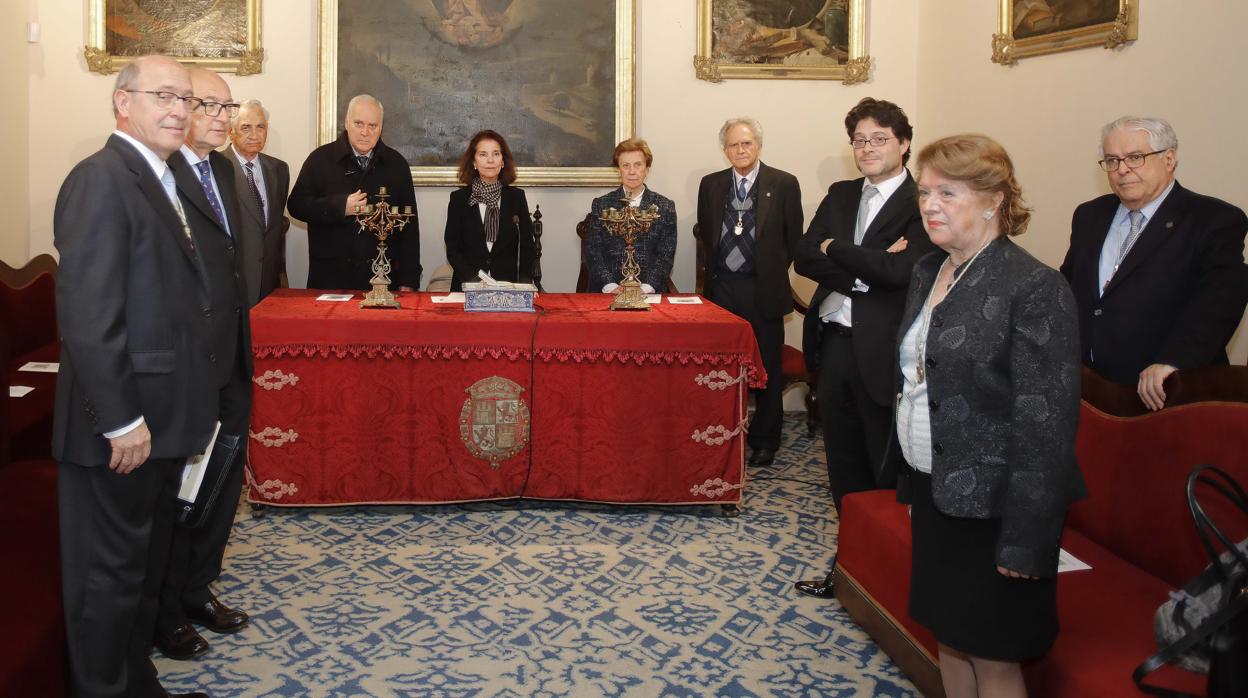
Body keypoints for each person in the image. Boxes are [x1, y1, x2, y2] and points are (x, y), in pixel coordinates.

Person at [897, 134, 1084, 697]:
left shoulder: (1033, 287)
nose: (929, 204)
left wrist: (1028, 539)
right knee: (950, 639)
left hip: (996, 509)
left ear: (993, 199)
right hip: (937, 494)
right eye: (925, 192)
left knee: (994, 656)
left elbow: (1045, 428)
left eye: (947, 193)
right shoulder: (929, 270)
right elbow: (917, 382)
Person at [53, 54, 213, 698]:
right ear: (124, 103)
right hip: (120, 427)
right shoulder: (100, 179)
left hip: (161, 419)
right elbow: (90, 316)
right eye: (164, 96)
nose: (179, 110)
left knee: (140, 572)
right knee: (108, 578)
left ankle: (137, 684)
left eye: (187, 99)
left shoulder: (162, 176)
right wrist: (121, 419)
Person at [792, 98, 934, 599]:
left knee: (885, 465)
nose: (867, 148)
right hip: (834, 344)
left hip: (884, 351)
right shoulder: (842, 193)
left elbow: (903, 271)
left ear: (904, 144)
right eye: (859, 140)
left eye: (878, 138)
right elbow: (805, 255)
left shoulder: (923, 200)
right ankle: (849, 569)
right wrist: (867, 267)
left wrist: (840, 252)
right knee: (842, 463)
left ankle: (889, 580)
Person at [151, 67, 254, 662]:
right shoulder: (162, 175)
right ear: (182, 108)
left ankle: (197, 588)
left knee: (220, 481)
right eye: (208, 105)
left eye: (225, 106)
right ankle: (164, 612)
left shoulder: (223, 168)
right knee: (178, 493)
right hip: (191, 362)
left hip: (231, 355)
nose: (220, 116)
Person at [1060, 116, 1248, 410]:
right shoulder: (1089, 216)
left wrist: (1174, 361)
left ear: (1169, 158)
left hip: (1167, 392)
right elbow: (1068, 290)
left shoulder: (1213, 219)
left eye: (1135, 157)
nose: (1122, 170)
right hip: (1090, 391)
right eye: (1112, 160)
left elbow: (1220, 303)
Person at [695, 117, 803, 467]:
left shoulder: (784, 183)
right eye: (732, 145)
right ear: (724, 149)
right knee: (722, 368)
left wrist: (769, 272)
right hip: (723, 288)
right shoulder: (710, 185)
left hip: (763, 289)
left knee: (766, 367)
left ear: (758, 145)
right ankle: (721, 433)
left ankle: (765, 440)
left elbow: (793, 240)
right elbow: (709, 237)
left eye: (746, 144)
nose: (740, 150)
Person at [288, 94, 421, 290]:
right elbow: (296, 206)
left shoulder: (396, 164)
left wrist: (409, 280)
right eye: (359, 124)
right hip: (330, 277)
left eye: (372, 126)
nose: (365, 132)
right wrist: (340, 206)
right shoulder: (320, 159)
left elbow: (409, 227)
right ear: (346, 122)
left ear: (381, 127)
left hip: (382, 278)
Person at [443, 129, 535, 291]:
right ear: (474, 162)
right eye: (483, 154)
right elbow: (453, 249)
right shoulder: (459, 199)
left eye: (496, 154)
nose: (490, 160)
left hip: (509, 288)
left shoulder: (517, 198)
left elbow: (527, 247)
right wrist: (475, 280)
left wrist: (525, 283)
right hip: (468, 287)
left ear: (503, 161)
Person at [584, 137, 677, 293]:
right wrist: (611, 287)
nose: (632, 171)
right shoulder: (601, 205)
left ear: (647, 169)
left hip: (649, 293)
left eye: (638, 165)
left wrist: (645, 289)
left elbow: (665, 256)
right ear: (618, 170)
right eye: (626, 165)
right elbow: (594, 252)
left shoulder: (665, 207)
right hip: (608, 292)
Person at [228, 98, 291, 305]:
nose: (254, 135)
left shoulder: (279, 170)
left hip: (269, 282)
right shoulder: (217, 167)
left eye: (260, 127)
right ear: (231, 131)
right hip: (232, 280)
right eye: (246, 127)